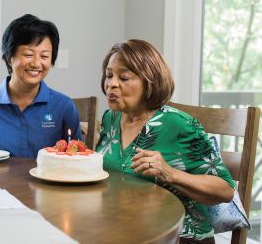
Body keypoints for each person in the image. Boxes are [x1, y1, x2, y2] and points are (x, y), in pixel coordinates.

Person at [96, 39, 234, 243]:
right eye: (109, 75)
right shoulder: (111, 118)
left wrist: (170, 173)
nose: (111, 83)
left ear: (150, 82)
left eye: (124, 77)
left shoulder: (179, 124)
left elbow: (225, 190)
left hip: (179, 235)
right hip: (125, 229)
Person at [0, 14, 81, 158]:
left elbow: (77, 161)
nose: (36, 63)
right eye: (28, 55)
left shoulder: (64, 107)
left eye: (44, 56)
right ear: (9, 57)